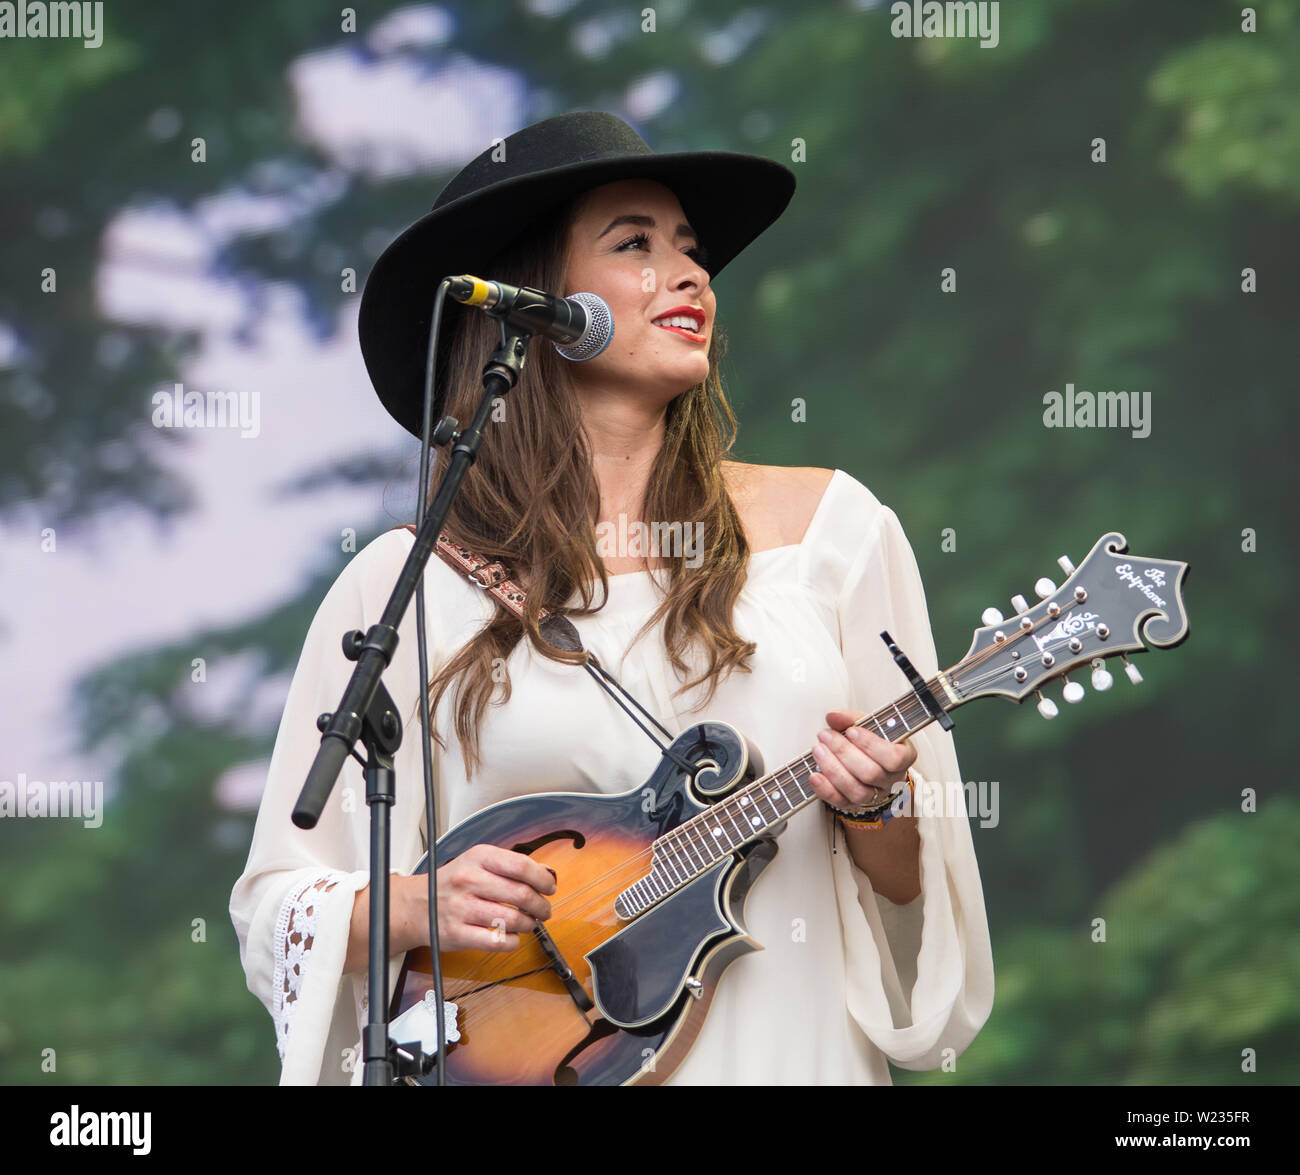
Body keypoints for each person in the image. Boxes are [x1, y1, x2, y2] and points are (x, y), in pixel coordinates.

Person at [229, 110, 994, 1086]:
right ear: (528, 303)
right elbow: (276, 899)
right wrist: (415, 905)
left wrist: (878, 808)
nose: (689, 275)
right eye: (634, 243)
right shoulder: (408, 579)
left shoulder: (833, 531)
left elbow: (919, 905)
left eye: (692, 249)